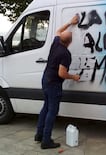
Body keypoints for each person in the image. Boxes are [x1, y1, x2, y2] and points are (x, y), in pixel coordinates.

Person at [35, 14, 81, 149]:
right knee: (52, 111)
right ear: (70, 42)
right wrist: (74, 77)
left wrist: (70, 22)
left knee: (45, 108)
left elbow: (58, 31)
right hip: (54, 84)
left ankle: (39, 134)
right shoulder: (65, 54)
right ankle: (46, 141)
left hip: (45, 79)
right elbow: (61, 73)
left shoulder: (56, 43)